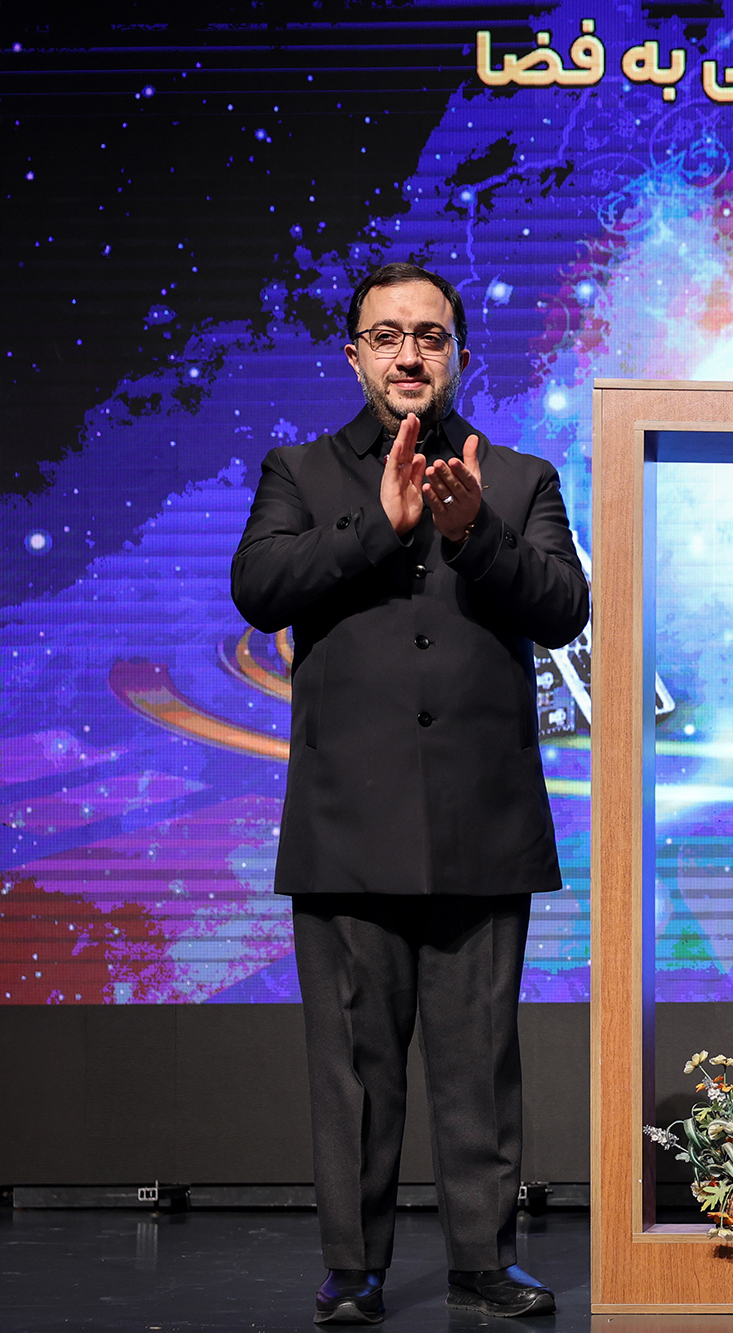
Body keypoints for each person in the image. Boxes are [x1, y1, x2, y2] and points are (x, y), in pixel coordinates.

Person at [231, 262, 590, 1324]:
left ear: (459, 354)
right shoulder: (299, 472)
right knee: (354, 1067)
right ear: (354, 355)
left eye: (429, 336)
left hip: (484, 822)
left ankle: (484, 1260)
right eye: (386, 336)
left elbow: (564, 606)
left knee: (480, 1063)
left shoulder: (517, 477)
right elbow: (258, 588)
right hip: (347, 826)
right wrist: (377, 527)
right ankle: (354, 1268)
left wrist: (475, 533)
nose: (408, 355)